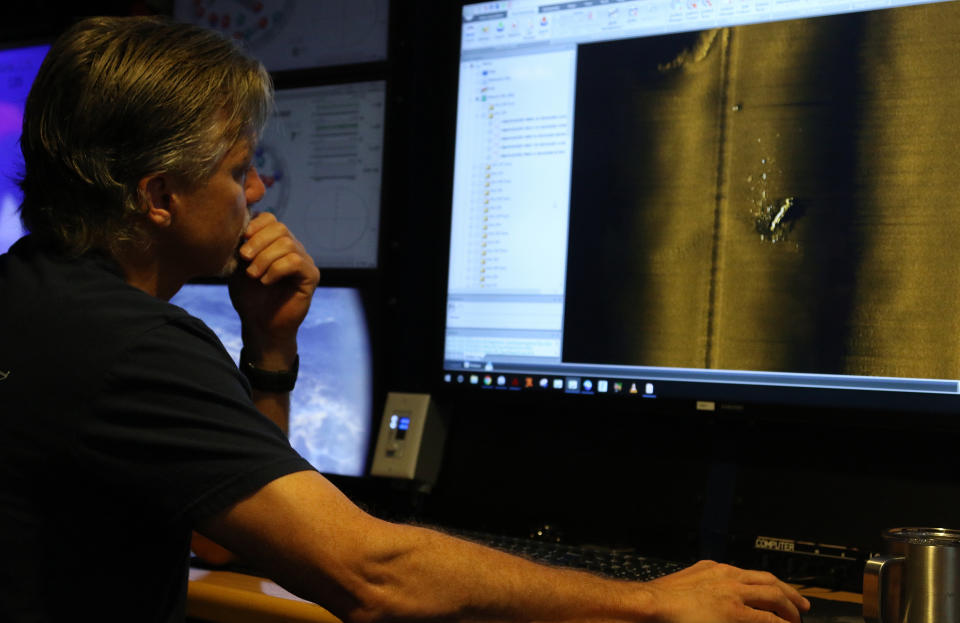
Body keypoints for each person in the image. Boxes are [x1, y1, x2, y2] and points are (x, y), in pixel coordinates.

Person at [0, 15, 810, 623]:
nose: (256, 193)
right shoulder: (135, 348)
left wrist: (271, 349)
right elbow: (373, 575)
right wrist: (652, 603)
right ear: (159, 197)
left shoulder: (35, 298)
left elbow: (222, 538)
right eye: (237, 169)